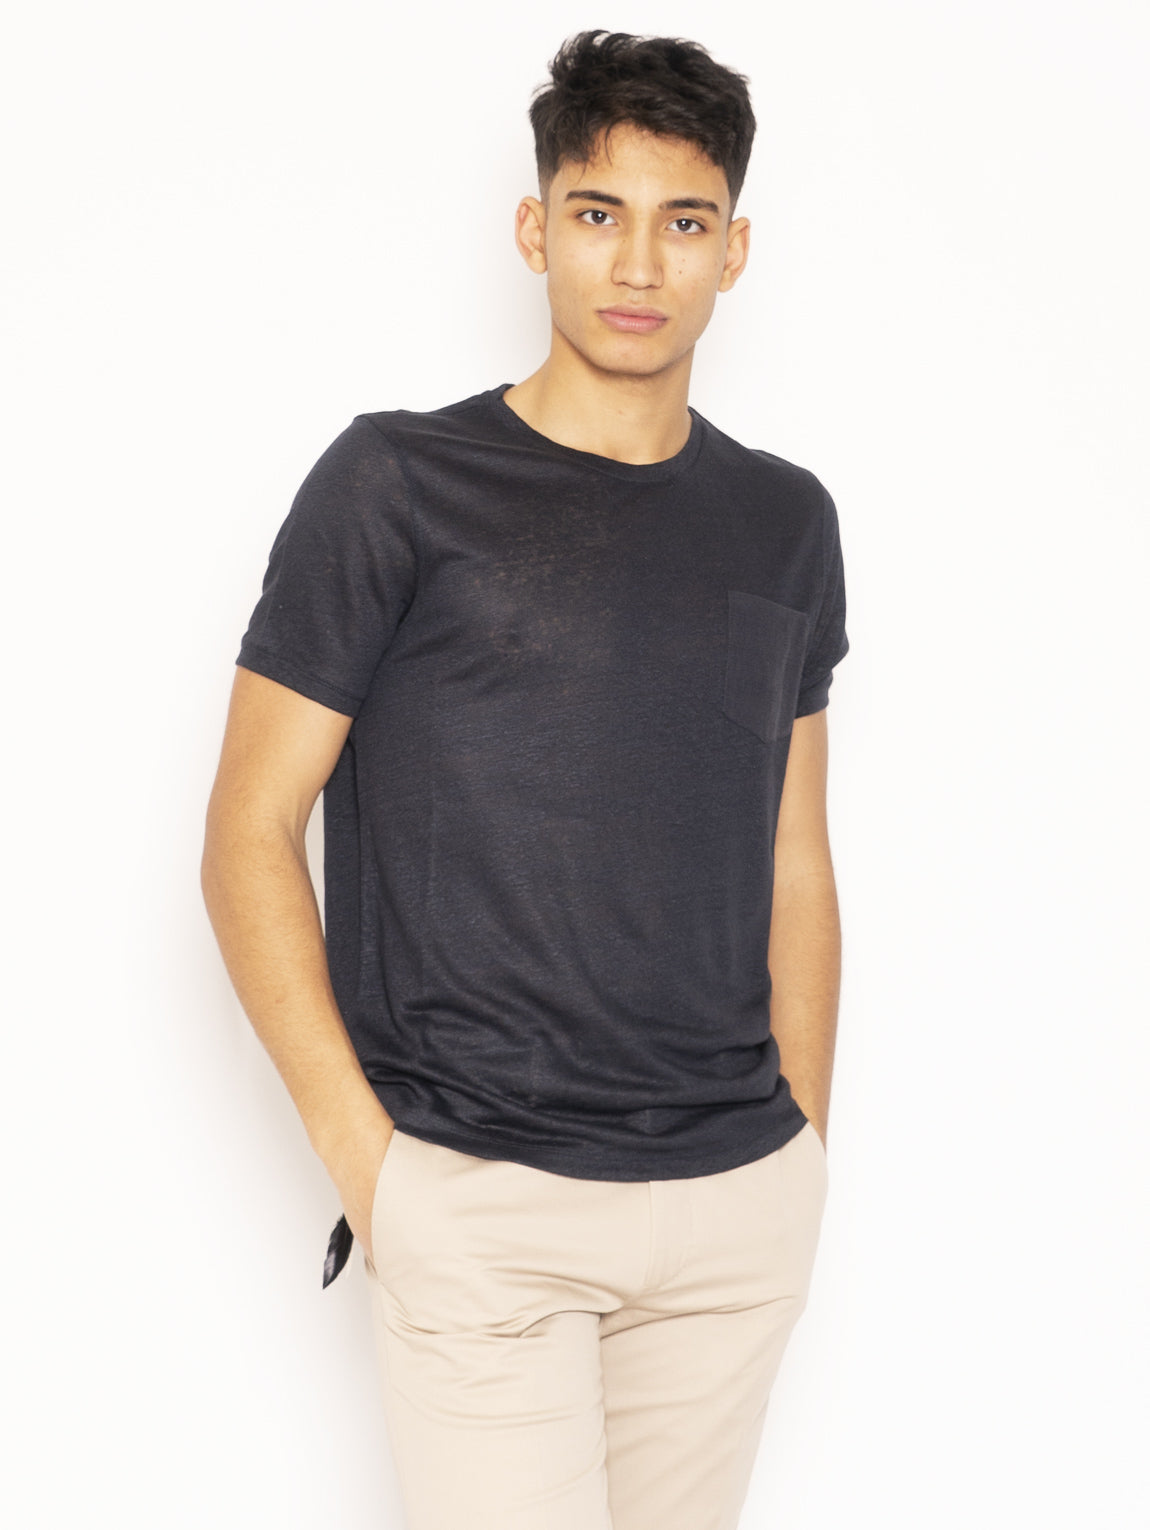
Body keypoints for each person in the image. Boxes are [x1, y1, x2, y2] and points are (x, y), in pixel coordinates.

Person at [202, 28, 849, 1530]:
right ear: (534, 227)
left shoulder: (786, 521)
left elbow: (795, 855)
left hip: (733, 1207)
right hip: (480, 1194)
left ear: (734, 250)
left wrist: (802, 1151)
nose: (639, 263)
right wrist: (376, 1170)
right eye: (597, 211)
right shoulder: (396, 484)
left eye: (683, 221)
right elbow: (248, 830)